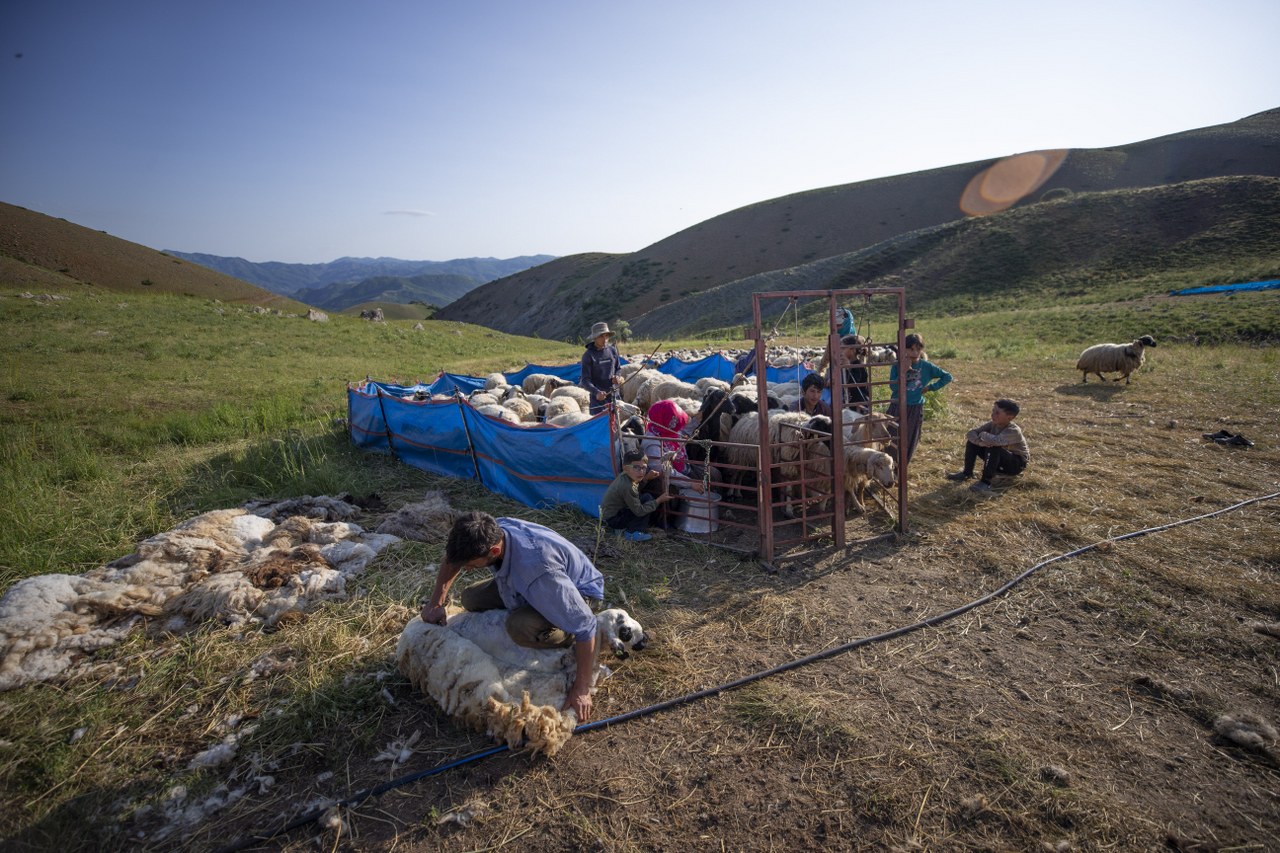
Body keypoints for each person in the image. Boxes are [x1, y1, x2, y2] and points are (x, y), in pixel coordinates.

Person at [419, 511, 605, 721]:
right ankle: (523, 604)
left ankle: (563, 634)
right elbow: (453, 559)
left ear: (495, 550)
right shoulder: (489, 530)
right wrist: (436, 602)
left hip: (575, 593)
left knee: (519, 626)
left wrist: (582, 688)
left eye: (470, 565)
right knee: (470, 598)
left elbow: (586, 625)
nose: (467, 570)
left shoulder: (539, 573)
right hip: (523, 582)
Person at [887, 333, 952, 466]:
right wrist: (903, 372)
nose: (915, 352)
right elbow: (893, 388)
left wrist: (930, 388)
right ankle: (888, 465)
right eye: (911, 349)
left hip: (914, 407)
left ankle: (902, 467)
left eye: (918, 349)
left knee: (910, 438)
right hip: (897, 405)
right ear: (903, 349)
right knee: (891, 436)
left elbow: (947, 377)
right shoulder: (897, 365)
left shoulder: (926, 366)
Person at [945, 398, 1029, 492]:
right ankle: (967, 473)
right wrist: (979, 442)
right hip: (999, 458)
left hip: (1016, 464)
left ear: (1010, 417)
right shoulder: (993, 424)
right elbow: (971, 433)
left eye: (997, 413)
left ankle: (986, 482)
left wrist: (982, 435)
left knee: (993, 447)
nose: (992, 414)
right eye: (993, 411)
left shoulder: (1014, 430)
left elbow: (996, 441)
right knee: (972, 443)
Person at [601, 450, 672, 540]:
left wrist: (646, 479)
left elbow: (635, 488)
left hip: (615, 514)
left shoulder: (626, 476)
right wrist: (658, 500)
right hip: (614, 519)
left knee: (646, 497)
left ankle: (623, 528)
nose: (641, 472)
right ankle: (632, 533)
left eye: (644, 468)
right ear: (625, 468)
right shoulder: (627, 486)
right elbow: (639, 511)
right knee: (648, 499)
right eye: (636, 467)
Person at [818, 334, 870, 411]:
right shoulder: (841, 364)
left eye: (842, 348)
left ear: (852, 350)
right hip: (844, 402)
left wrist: (848, 367)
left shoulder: (858, 366)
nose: (840, 351)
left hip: (857, 405)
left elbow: (854, 385)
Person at [580, 321, 621, 415]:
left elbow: (618, 368)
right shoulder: (588, 355)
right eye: (601, 336)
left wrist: (617, 376)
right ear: (595, 338)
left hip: (614, 396)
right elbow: (585, 380)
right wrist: (596, 392)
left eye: (606, 336)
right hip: (598, 401)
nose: (605, 339)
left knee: (618, 425)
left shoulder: (612, 350)